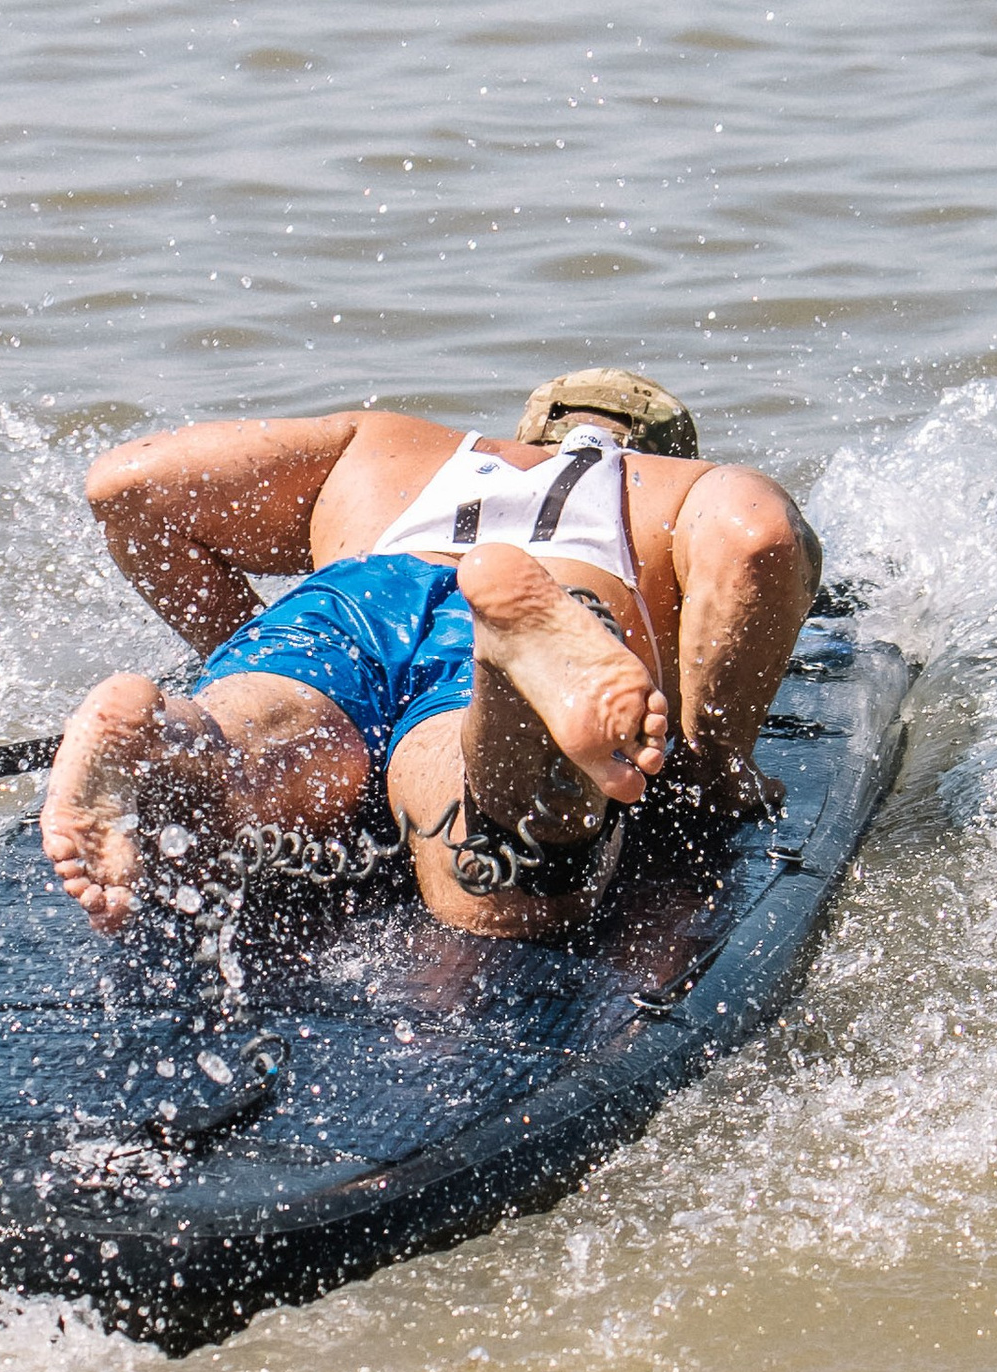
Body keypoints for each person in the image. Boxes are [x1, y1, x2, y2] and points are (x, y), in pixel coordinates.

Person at [40, 370, 820, 943]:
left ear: (529, 426)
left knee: (258, 757)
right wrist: (714, 770)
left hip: (352, 602)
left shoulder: (388, 445)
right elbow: (761, 539)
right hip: (554, 594)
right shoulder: (681, 484)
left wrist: (242, 654)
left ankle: (182, 733)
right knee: (498, 885)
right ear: (664, 446)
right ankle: (511, 683)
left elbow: (127, 486)